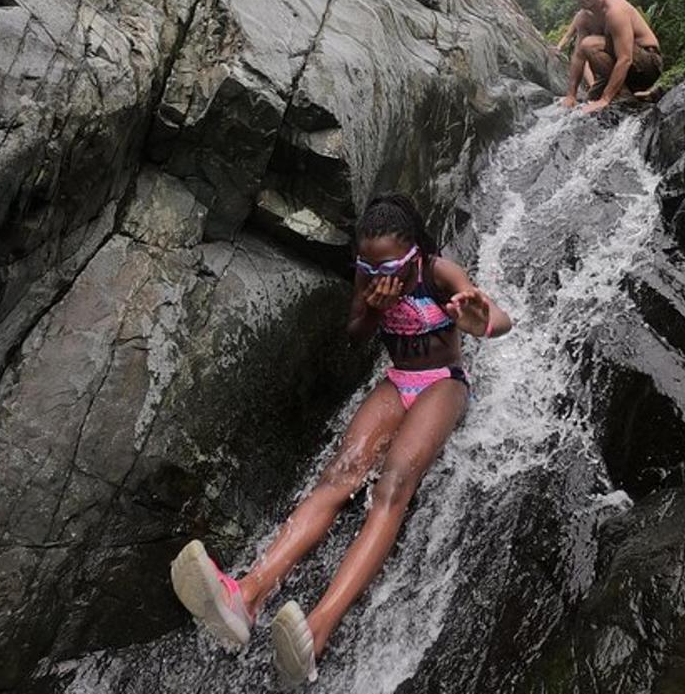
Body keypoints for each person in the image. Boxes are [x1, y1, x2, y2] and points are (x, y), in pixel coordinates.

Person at [169, 193, 512, 689]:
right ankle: (245, 595)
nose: (379, 273)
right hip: (398, 380)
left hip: (443, 381)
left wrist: (480, 316)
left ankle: (318, 629)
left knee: (391, 487)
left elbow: (499, 321)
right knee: (340, 472)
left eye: (390, 264)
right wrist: (374, 307)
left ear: (414, 253)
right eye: (368, 265)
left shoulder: (439, 273)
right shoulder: (370, 276)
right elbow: (356, 330)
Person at [561, 0, 663, 113]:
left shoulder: (615, 11)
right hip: (619, 68)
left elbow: (625, 58)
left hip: (648, 65)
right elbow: (578, 56)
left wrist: (606, 99)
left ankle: (624, 97)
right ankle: (637, 97)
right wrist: (571, 95)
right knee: (590, 100)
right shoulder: (582, 18)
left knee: (589, 44)